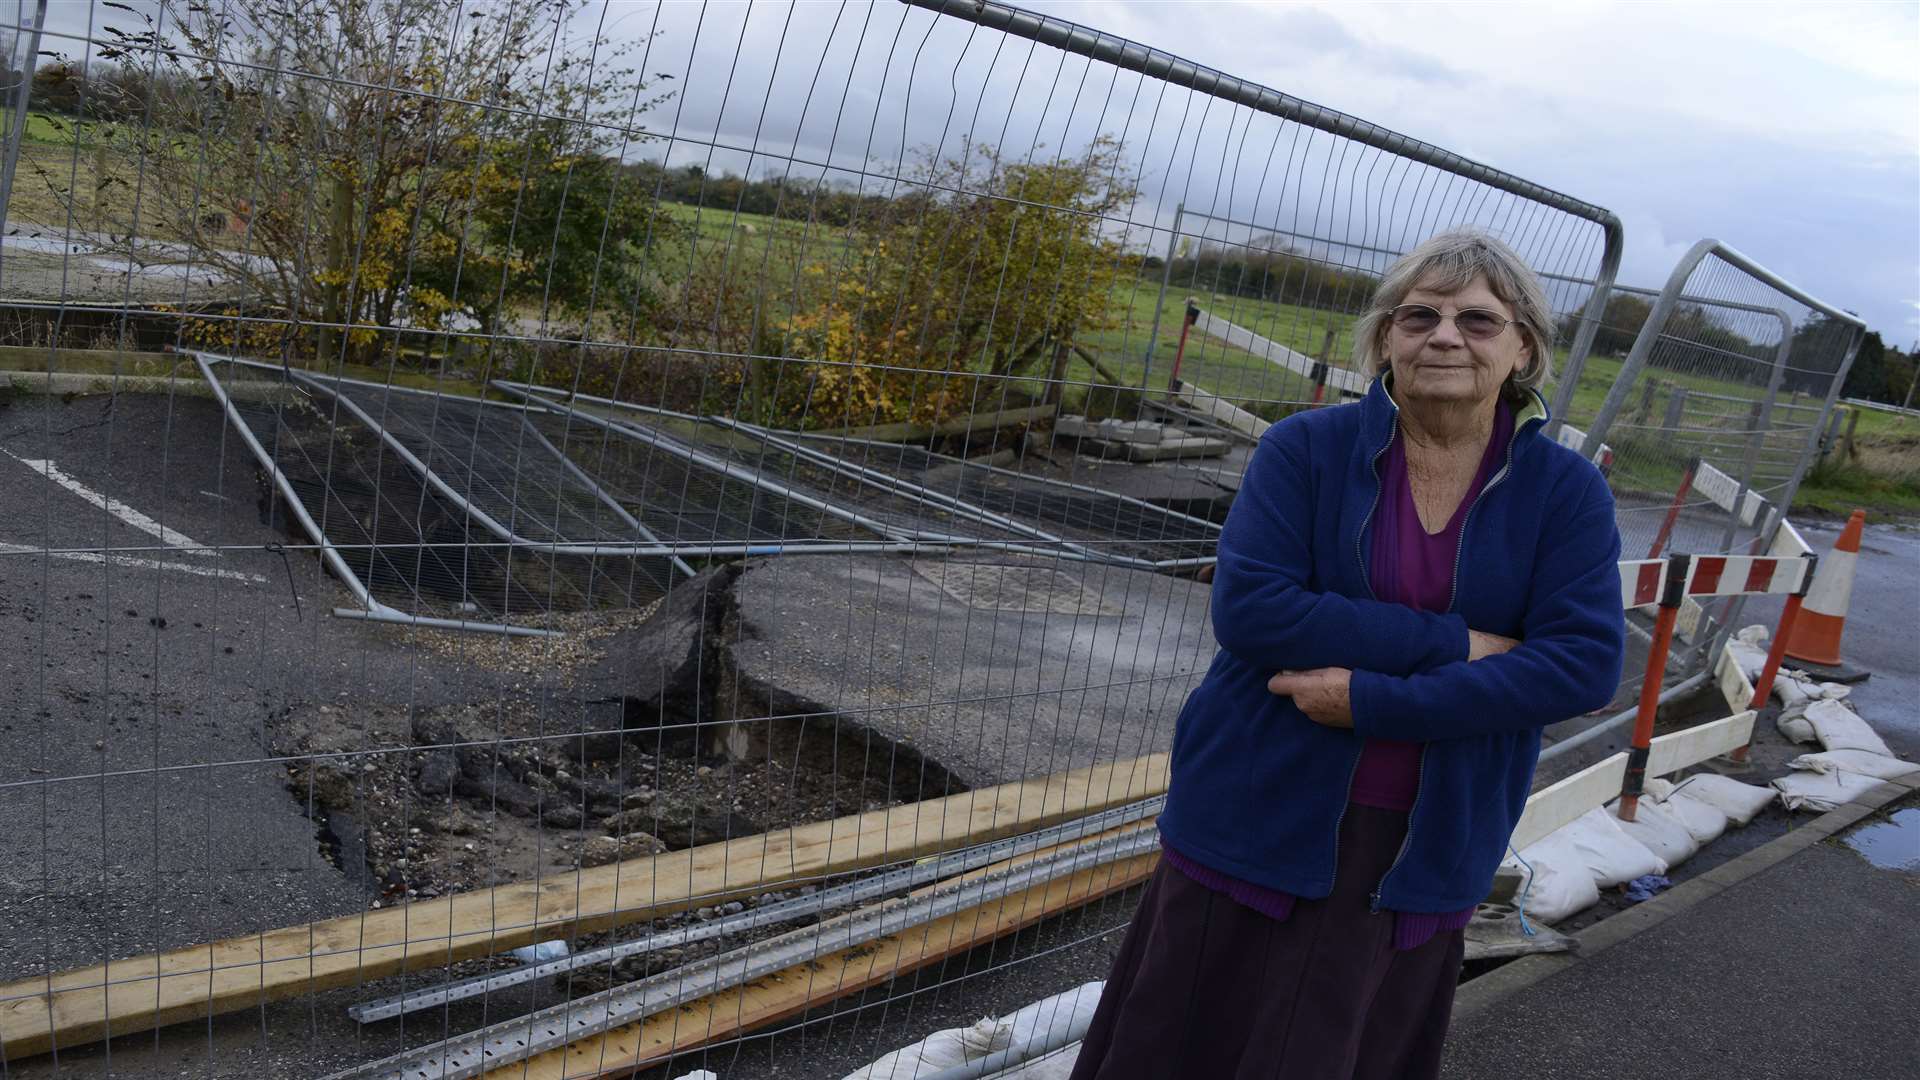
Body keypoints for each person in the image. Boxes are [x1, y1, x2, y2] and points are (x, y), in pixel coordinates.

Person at [1069, 229, 1626, 1080]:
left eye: (1478, 320)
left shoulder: (1565, 491)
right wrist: (1459, 645)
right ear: (1385, 338)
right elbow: (1254, 610)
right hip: (1256, 816)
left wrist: (1372, 700)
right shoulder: (1306, 451)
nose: (1444, 335)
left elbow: (1582, 665)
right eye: (1419, 315)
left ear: (1523, 349)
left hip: (1422, 845)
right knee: (1179, 1045)